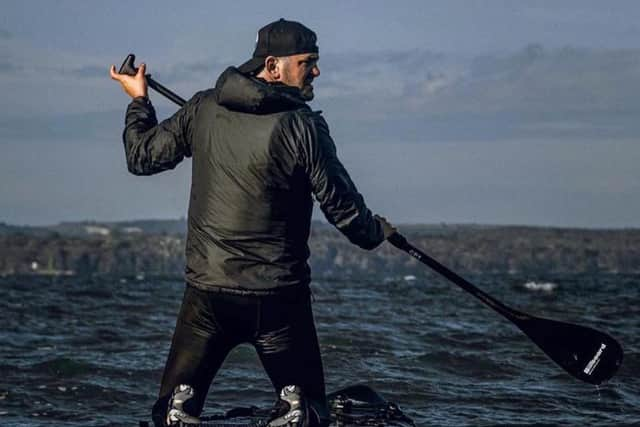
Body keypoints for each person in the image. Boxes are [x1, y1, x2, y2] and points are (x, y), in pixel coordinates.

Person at [110, 18, 396, 427]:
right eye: (308, 62)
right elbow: (346, 214)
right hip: (277, 304)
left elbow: (140, 155)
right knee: (310, 415)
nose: (316, 71)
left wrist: (139, 100)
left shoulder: (203, 108)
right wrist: (378, 232)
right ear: (273, 67)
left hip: (208, 299)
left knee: (170, 416)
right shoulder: (303, 125)